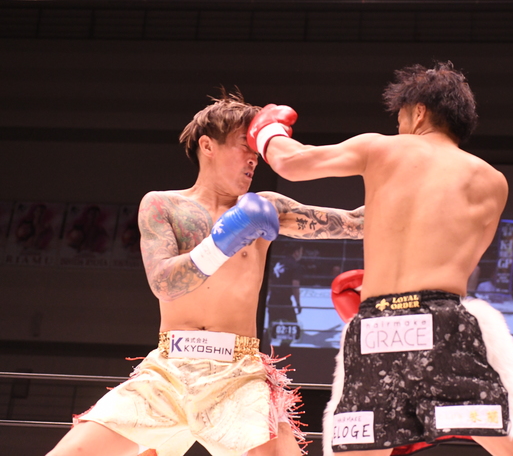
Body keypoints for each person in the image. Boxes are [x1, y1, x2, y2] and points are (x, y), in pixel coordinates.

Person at [247, 61, 513, 456]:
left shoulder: (383, 149)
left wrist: (267, 129)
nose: (398, 128)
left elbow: (290, 162)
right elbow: (466, 263)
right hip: (443, 324)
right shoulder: (492, 181)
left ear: (419, 112)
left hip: (374, 328)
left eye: (399, 118)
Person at [46, 89, 364, 456]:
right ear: (208, 145)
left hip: (239, 375)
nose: (254, 158)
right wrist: (226, 239)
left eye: (257, 150)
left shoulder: (266, 207)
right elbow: (164, 283)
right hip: (167, 373)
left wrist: (414, 178)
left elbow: (356, 223)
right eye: (244, 145)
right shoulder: (163, 205)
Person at [267, 244, 305, 345]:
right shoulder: (295, 266)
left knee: (270, 329)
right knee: (292, 329)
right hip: (284, 301)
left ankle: (264, 350)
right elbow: (295, 285)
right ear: (296, 252)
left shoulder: (279, 262)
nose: (301, 254)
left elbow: (270, 280)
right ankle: (283, 350)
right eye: (301, 252)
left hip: (273, 299)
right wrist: (298, 303)